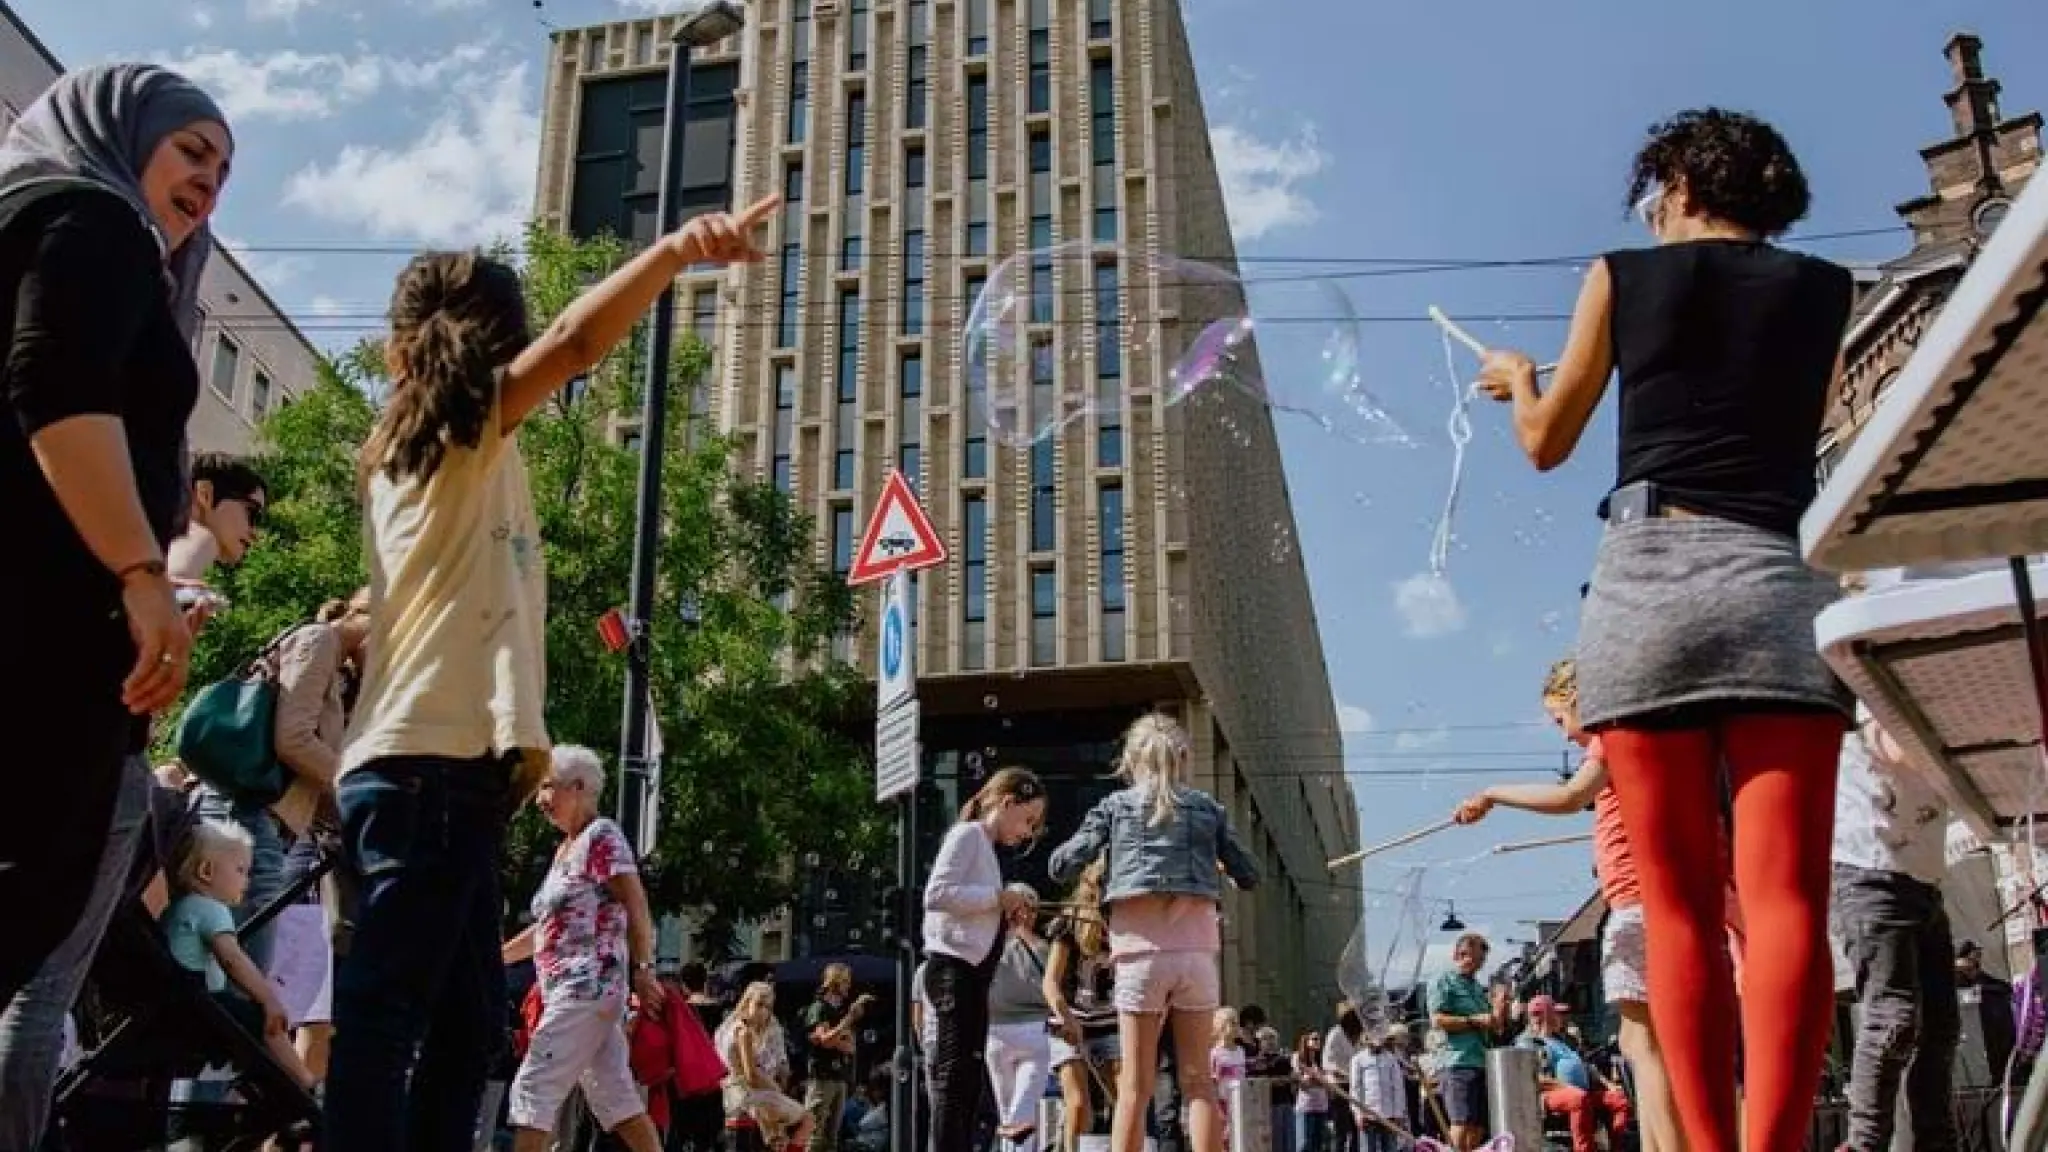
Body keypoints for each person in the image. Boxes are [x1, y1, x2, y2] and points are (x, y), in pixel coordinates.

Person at [325, 194, 779, 1151]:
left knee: (464, 1025)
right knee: (391, 1017)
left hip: (445, 772)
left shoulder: (428, 458)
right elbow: (577, 345)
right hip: (430, 765)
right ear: (498, 352)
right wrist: (673, 251)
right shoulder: (457, 435)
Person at [1475, 108, 1854, 1152]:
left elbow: (1546, 444)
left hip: (1648, 583)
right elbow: (1806, 427)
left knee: (1676, 906)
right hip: (1778, 576)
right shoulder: (1827, 293)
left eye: (1655, 191)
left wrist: (1517, 382)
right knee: (1782, 902)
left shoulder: (1620, 276)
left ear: (1681, 183)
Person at [0, 62, 232, 1149]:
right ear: (117, 133)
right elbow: (58, 385)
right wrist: (143, 581)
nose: (209, 182)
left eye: (224, 170)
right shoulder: (92, 220)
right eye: (192, 150)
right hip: (45, 645)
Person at [1452, 656, 1703, 1152]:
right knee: (1656, 1045)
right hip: (1664, 903)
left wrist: (1492, 794)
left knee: (1644, 1045)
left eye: (1561, 719)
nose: (1564, 735)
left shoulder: (1611, 737)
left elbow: (1569, 797)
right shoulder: (1653, 739)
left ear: (1582, 701)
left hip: (1635, 906)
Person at [1048, 713, 1261, 1152]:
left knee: (1135, 1087)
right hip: (1197, 957)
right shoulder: (1207, 809)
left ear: (1130, 760)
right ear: (1183, 759)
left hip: (1139, 958)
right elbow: (1250, 874)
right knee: (1199, 1082)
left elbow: (1063, 865)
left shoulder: (1114, 808)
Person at [499, 746, 668, 1152]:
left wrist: (644, 968)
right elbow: (547, 930)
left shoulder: (601, 836)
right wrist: (496, 958)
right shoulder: (566, 850)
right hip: (578, 990)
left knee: (534, 1084)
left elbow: (635, 903)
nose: (540, 799)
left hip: (585, 986)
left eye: (546, 787)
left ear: (577, 788)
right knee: (615, 1098)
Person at [1831, 706, 1958, 1152]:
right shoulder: (1871, 677)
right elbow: (1896, 745)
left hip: (1921, 874)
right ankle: (1863, 1144)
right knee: (1893, 1017)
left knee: (1941, 1025)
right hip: (1871, 866)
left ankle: (1934, 1140)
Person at [921, 767, 1048, 1152]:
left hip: (970, 973)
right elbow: (937, 894)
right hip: (953, 970)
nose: (1026, 832)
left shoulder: (982, 845)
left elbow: (966, 909)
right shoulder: (968, 835)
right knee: (955, 1077)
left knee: (967, 1079)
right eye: (1027, 819)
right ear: (1008, 803)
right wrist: (997, 899)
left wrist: (1002, 915)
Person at [162, 820, 319, 1091]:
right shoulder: (211, 910)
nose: (246, 881)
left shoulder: (176, 909)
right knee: (266, 1021)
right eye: (240, 870)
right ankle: (303, 1084)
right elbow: (232, 959)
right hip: (201, 1010)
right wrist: (268, 999)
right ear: (207, 871)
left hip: (174, 1009)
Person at [1043, 860, 1117, 1152]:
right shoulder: (1069, 921)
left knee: (1127, 1097)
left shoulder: (1126, 920)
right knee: (1078, 1103)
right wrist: (1064, 1015)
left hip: (1111, 1022)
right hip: (1070, 1019)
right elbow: (1050, 981)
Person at [988, 883, 1053, 1152]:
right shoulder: (993, 944)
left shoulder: (1040, 947)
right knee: (1009, 1108)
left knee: (1021, 1105)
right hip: (997, 1031)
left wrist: (1019, 927)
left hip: (1032, 1029)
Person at [1516, 996, 1629, 1152]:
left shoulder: (1564, 1040)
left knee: (1618, 1100)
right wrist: (1565, 1086)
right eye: (1557, 1013)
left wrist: (1609, 1085)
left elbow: (1588, 1066)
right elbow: (1532, 1077)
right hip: (1550, 1095)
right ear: (1546, 1014)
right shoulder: (1528, 1042)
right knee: (1578, 1098)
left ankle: (1617, 1148)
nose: (1562, 1018)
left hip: (1581, 1092)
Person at [1426, 934, 1505, 1150]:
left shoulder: (1478, 989)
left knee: (1478, 1125)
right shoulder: (1444, 980)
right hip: (1458, 1060)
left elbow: (1496, 1027)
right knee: (1461, 1121)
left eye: (1481, 961)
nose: (1478, 965)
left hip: (1482, 1060)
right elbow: (1437, 1019)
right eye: (1475, 959)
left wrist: (1499, 1006)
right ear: (1459, 954)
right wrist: (1473, 1020)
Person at [717, 980, 811, 1148]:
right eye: (759, 1005)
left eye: (768, 1007)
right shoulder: (744, 1032)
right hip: (747, 1095)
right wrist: (775, 1088)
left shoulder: (731, 1028)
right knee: (807, 1120)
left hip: (736, 1094)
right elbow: (751, 1075)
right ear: (747, 1002)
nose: (763, 1012)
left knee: (777, 1136)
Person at [799, 963, 872, 1152]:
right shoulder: (819, 1007)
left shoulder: (839, 1010)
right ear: (834, 983)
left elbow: (850, 1047)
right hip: (822, 1076)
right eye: (845, 981)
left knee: (832, 1137)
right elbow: (825, 1040)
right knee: (814, 1135)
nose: (848, 986)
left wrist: (835, 1037)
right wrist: (846, 1023)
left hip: (840, 1076)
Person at [167, 452, 267, 580]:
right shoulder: (201, 538)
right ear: (205, 494)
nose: (256, 532)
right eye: (252, 512)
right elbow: (171, 584)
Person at [1347, 1028, 1408, 1152]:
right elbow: (1355, 1088)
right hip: (1368, 1114)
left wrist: (1398, 1113)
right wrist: (1358, 1114)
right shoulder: (1357, 1060)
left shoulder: (1391, 1059)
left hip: (1389, 1115)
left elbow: (1398, 1087)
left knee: (1390, 1148)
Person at [1322, 1005, 1362, 1152]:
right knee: (1341, 1130)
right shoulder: (1335, 1034)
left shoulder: (1359, 1036)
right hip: (1339, 1087)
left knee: (1357, 1127)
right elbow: (1328, 1062)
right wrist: (1344, 1073)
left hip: (1356, 1087)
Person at [1208, 1008, 1246, 1139]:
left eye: (1237, 1023)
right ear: (1221, 1026)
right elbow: (1212, 1082)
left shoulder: (1241, 1051)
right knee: (1224, 1137)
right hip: (1222, 1102)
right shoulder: (1215, 1053)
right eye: (1233, 1023)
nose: (1237, 1027)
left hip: (1240, 1101)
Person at [1291, 1030, 1331, 1152]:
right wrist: (1318, 1082)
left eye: (1319, 1039)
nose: (1317, 1041)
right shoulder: (1298, 1057)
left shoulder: (1323, 1060)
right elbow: (1303, 1084)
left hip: (1321, 1106)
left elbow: (1328, 1082)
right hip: (1305, 1107)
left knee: (1318, 1143)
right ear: (1306, 1041)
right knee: (1304, 1144)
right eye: (1314, 1039)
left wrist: (1317, 1081)